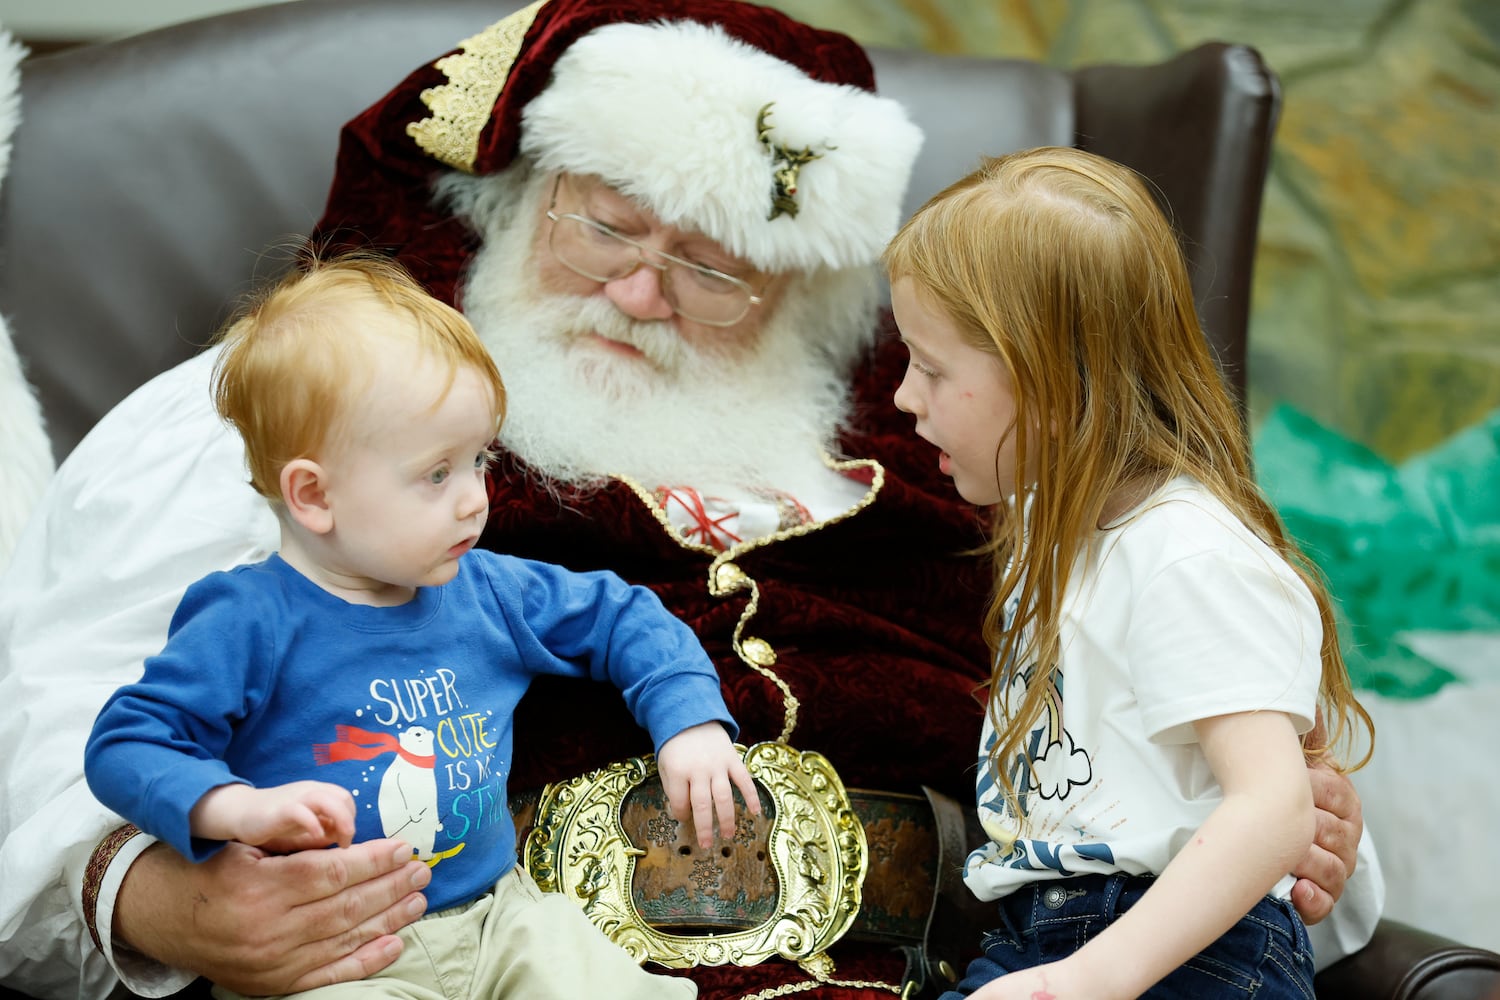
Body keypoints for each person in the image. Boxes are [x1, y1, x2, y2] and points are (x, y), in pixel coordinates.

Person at [0, 2, 1381, 1000]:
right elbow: (54, 730)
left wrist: (1307, 836)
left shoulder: (989, 458)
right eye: (607, 223)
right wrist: (164, 901)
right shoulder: (301, 409)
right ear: (513, 198)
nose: (644, 292)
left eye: (718, 267)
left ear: (813, 297)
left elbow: (1203, 791)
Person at [82, 252, 761, 1000]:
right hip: (335, 957)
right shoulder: (247, 620)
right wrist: (232, 806)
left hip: (498, 918)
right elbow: (127, 743)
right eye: (438, 474)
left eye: (480, 460)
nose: (474, 499)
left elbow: (622, 615)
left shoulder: (487, 589)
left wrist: (688, 722)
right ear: (313, 495)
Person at [882, 146, 1376, 999]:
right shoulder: (1049, 523)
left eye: (931, 366)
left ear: (1051, 381)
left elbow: (1272, 806)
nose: (902, 397)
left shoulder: (1186, 554)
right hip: (1041, 928)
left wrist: (1086, 981)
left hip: (1179, 950)